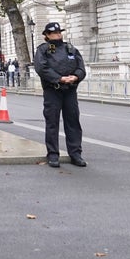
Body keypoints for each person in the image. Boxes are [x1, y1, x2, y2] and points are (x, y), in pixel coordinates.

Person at [33, 22, 86, 168]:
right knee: (52, 123)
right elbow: (41, 68)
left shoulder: (70, 48)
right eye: (54, 33)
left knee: (73, 122)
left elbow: (81, 67)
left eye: (59, 32)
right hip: (53, 90)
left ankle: (76, 153)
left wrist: (75, 76)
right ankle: (53, 154)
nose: (58, 35)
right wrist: (59, 78)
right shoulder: (43, 50)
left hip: (70, 90)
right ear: (47, 35)